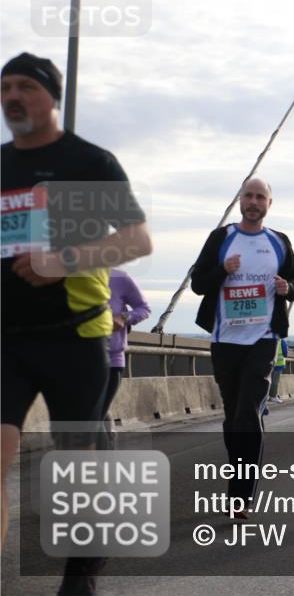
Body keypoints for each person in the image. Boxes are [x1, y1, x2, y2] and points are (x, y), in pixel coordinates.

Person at [1, 52, 152, 594]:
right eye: (5, 87)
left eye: (26, 87)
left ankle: (81, 572)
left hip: (76, 334)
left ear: (52, 98)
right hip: (6, 339)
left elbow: (137, 240)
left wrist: (60, 262)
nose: (13, 96)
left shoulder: (87, 162)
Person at [192, 176, 294, 515]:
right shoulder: (221, 238)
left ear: (269, 204)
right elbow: (198, 283)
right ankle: (238, 472)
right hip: (225, 340)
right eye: (248, 196)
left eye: (260, 197)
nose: (254, 202)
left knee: (248, 412)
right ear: (240, 200)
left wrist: (289, 288)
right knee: (232, 416)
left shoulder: (279, 242)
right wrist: (222, 271)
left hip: (263, 339)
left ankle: (241, 496)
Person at [103, 268, 151, 448]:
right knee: (92, 412)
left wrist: (124, 317)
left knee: (94, 414)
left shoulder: (118, 278)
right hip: (77, 360)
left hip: (111, 359)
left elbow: (144, 308)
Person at [267, 337, 288, 404]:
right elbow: (285, 353)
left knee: (268, 380)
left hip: (269, 363)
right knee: (275, 381)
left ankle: (267, 396)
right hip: (278, 364)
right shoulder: (282, 341)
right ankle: (273, 396)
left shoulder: (269, 339)